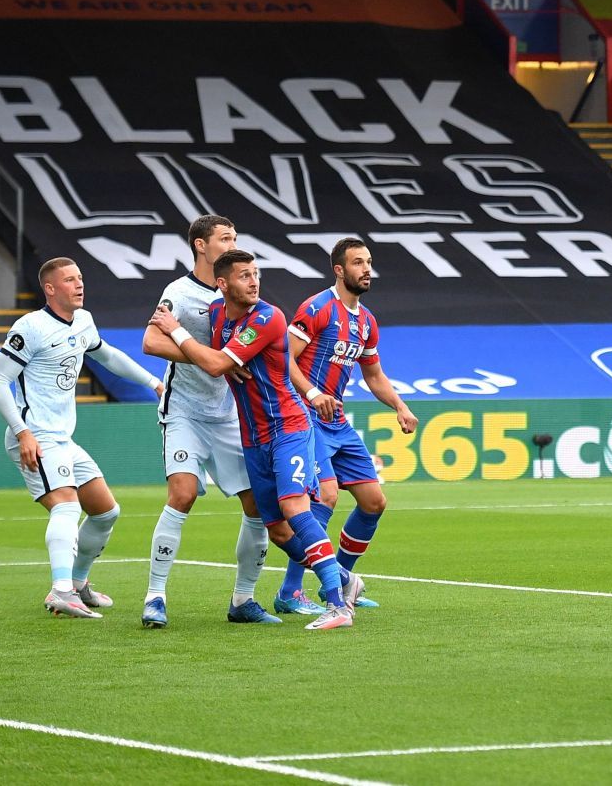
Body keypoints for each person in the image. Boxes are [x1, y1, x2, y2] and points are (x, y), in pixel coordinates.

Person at [150, 251, 353, 630]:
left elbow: (214, 364)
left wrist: (176, 329)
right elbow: (211, 355)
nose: (254, 281)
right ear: (223, 284)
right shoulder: (217, 315)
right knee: (275, 529)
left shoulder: (267, 316)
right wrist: (224, 358)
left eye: (255, 274)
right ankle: (342, 577)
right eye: (245, 276)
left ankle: (337, 604)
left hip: (289, 427)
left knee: (295, 508)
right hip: (253, 436)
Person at [0, 258, 163, 618]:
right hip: (35, 436)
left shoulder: (83, 321)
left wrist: (153, 382)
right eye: (69, 280)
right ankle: (60, 590)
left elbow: (108, 356)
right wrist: (23, 433)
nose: (79, 284)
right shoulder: (30, 327)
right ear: (50, 289)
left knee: (105, 512)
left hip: (63, 440)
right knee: (67, 506)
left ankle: (80, 585)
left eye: (80, 278)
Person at [136, 215, 280, 627]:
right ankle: (155, 596)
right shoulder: (177, 292)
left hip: (229, 412)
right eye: (225, 237)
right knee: (182, 494)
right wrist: (207, 357)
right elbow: (150, 340)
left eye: (235, 235)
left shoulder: (236, 290)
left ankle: (243, 600)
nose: (233, 241)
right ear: (201, 245)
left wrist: (220, 362)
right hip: (184, 409)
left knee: (257, 505)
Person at [284, 238, 420, 615]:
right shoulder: (316, 308)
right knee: (325, 496)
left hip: (337, 421)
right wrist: (312, 393)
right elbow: (285, 360)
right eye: (358, 262)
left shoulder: (366, 321)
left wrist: (399, 405)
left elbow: (374, 374)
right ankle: (291, 591)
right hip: (306, 417)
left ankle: (343, 580)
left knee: (374, 501)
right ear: (339, 269)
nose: (367, 269)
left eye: (369, 262)